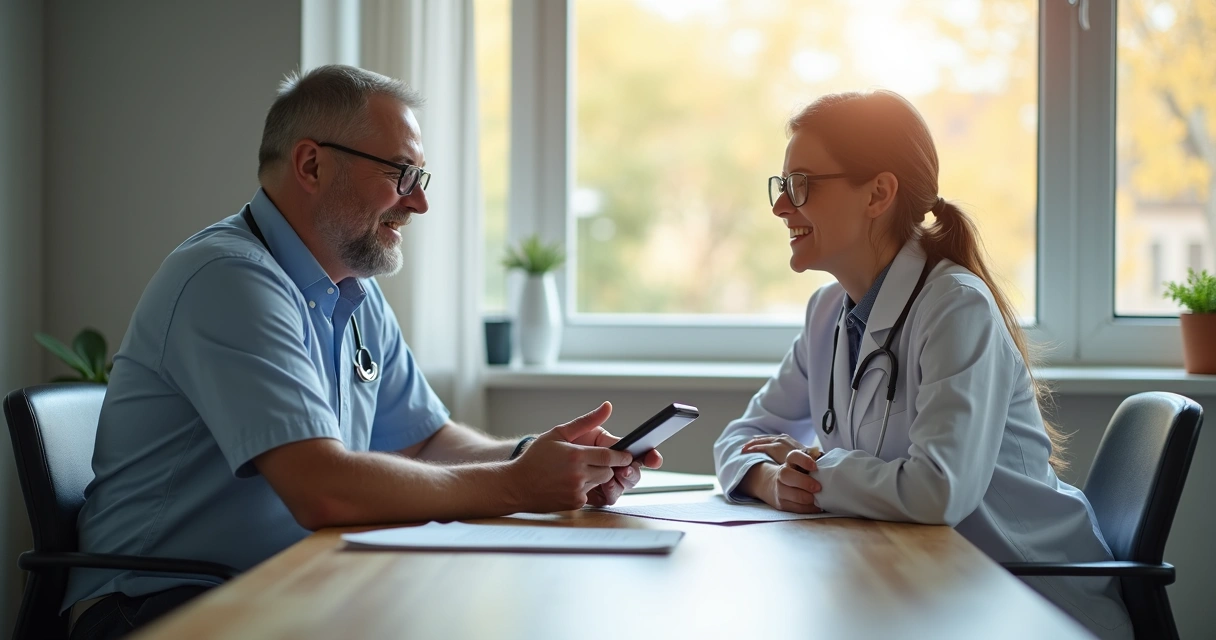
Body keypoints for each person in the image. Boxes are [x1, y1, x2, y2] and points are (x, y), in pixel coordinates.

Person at [64, 64, 662, 639]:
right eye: (401, 173)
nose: (419, 202)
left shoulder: (351, 289)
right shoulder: (228, 278)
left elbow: (425, 440)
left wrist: (539, 454)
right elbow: (322, 488)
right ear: (311, 164)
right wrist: (518, 485)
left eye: (420, 178)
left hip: (290, 581)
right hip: (156, 605)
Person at [712, 90, 1131, 639]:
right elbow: (738, 438)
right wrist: (771, 481)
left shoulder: (955, 307)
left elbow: (938, 492)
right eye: (782, 185)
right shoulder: (827, 314)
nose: (780, 206)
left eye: (802, 184)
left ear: (878, 193)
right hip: (928, 587)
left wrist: (813, 473)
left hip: (1030, 600)